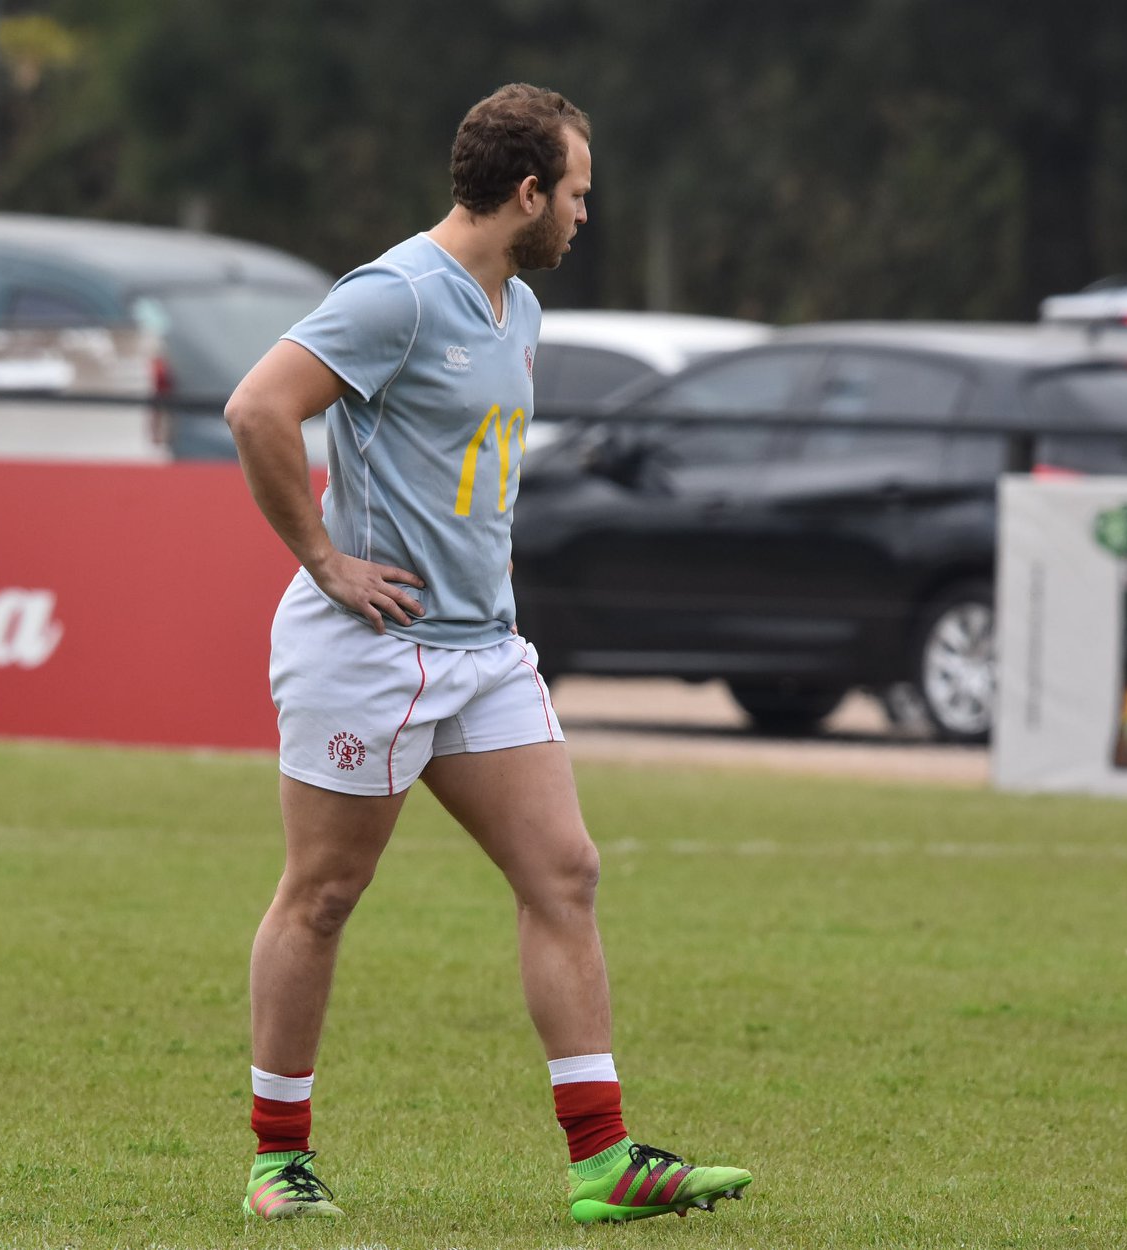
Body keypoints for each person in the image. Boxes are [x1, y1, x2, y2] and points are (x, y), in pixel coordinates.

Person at [222, 83, 752, 1225]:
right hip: (368, 649)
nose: (581, 214)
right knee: (322, 894)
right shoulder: (398, 295)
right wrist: (324, 560)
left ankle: (602, 1160)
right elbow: (257, 407)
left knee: (564, 871)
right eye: (575, 193)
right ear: (526, 192)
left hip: (484, 652)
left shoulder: (517, 305)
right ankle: (277, 1159)